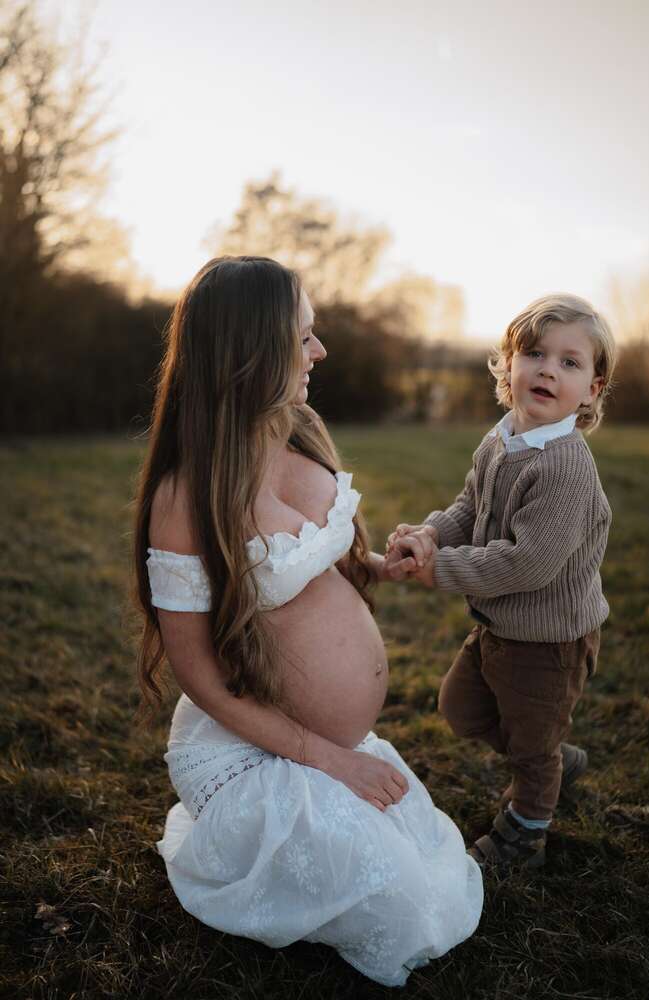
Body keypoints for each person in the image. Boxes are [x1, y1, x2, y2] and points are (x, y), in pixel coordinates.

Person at [133, 256, 483, 988]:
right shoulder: (186, 495)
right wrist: (331, 760)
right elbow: (199, 677)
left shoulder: (296, 435)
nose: (319, 352)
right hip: (250, 750)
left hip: (327, 740)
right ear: (250, 351)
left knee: (428, 877)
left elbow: (322, 567)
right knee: (403, 906)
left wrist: (382, 567)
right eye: (303, 337)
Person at [386, 293, 616, 869]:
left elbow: (526, 563)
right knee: (462, 707)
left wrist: (440, 570)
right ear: (508, 364)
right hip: (500, 625)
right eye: (534, 353)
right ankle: (550, 751)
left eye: (570, 362)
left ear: (592, 389)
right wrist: (433, 535)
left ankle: (525, 832)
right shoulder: (503, 437)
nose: (546, 369)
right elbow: (472, 504)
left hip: (548, 642)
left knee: (531, 754)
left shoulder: (564, 465)